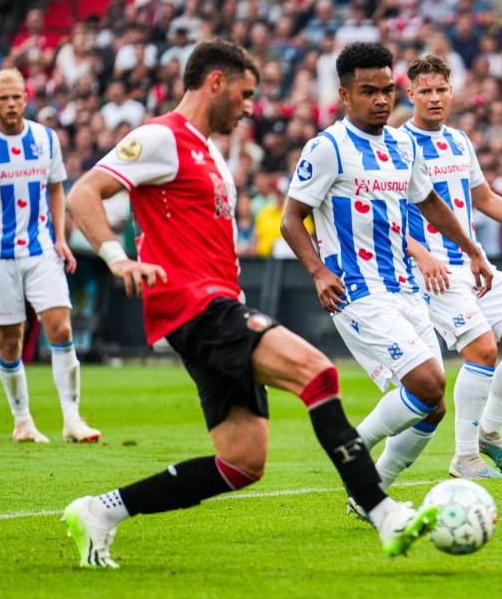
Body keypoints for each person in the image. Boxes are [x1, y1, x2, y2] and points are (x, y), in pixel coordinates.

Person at [62, 39, 436, 568]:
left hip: (214, 305)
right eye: (244, 94)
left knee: (242, 463)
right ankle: (382, 511)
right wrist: (117, 258)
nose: (248, 107)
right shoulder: (160, 137)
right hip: (196, 305)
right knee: (318, 373)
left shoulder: (208, 152)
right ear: (215, 82)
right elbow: (84, 193)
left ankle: (101, 512)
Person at [279, 43, 494, 513]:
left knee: (432, 404)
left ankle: (368, 491)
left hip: (407, 288)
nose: (381, 99)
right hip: (357, 291)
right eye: (368, 91)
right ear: (344, 95)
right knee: (428, 383)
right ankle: (353, 451)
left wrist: (471, 249)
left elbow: (431, 202)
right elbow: (291, 218)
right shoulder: (327, 148)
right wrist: (318, 272)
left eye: (387, 90)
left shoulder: (402, 144)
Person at [399, 54, 502, 479]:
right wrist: (420, 252)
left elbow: (485, 199)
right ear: (410, 94)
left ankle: (489, 433)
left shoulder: (458, 141)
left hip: (474, 264)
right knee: (483, 350)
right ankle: (465, 457)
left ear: (452, 92)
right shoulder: (397, 145)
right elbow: (384, 215)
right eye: (425, 91)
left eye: (441, 90)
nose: (434, 98)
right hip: (431, 271)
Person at [0, 68, 98, 444]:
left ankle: (72, 418)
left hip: (41, 250)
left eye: (17, 97)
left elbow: (57, 188)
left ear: (26, 99)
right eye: (4, 98)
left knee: (60, 327)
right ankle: (22, 420)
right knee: (10, 340)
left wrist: (60, 238)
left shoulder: (46, 139)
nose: (11, 104)